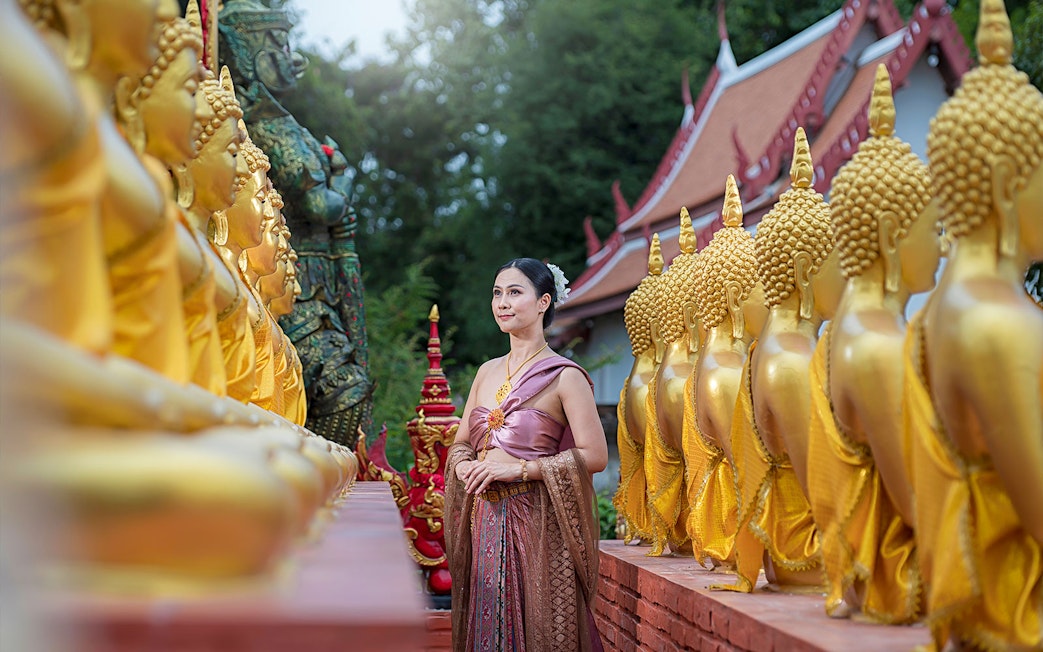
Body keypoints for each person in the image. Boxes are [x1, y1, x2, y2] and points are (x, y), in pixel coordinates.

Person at [445, 257, 607, 652]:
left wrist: (517, 470)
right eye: (497, 293)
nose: (503, 302)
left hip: (537, 524)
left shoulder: (565, 376)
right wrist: (465, 463)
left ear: (543, 302)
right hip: (483, 522)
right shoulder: (486, 372)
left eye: (515, 292)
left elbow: (595, 455)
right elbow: (461, 442)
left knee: (539, 631)